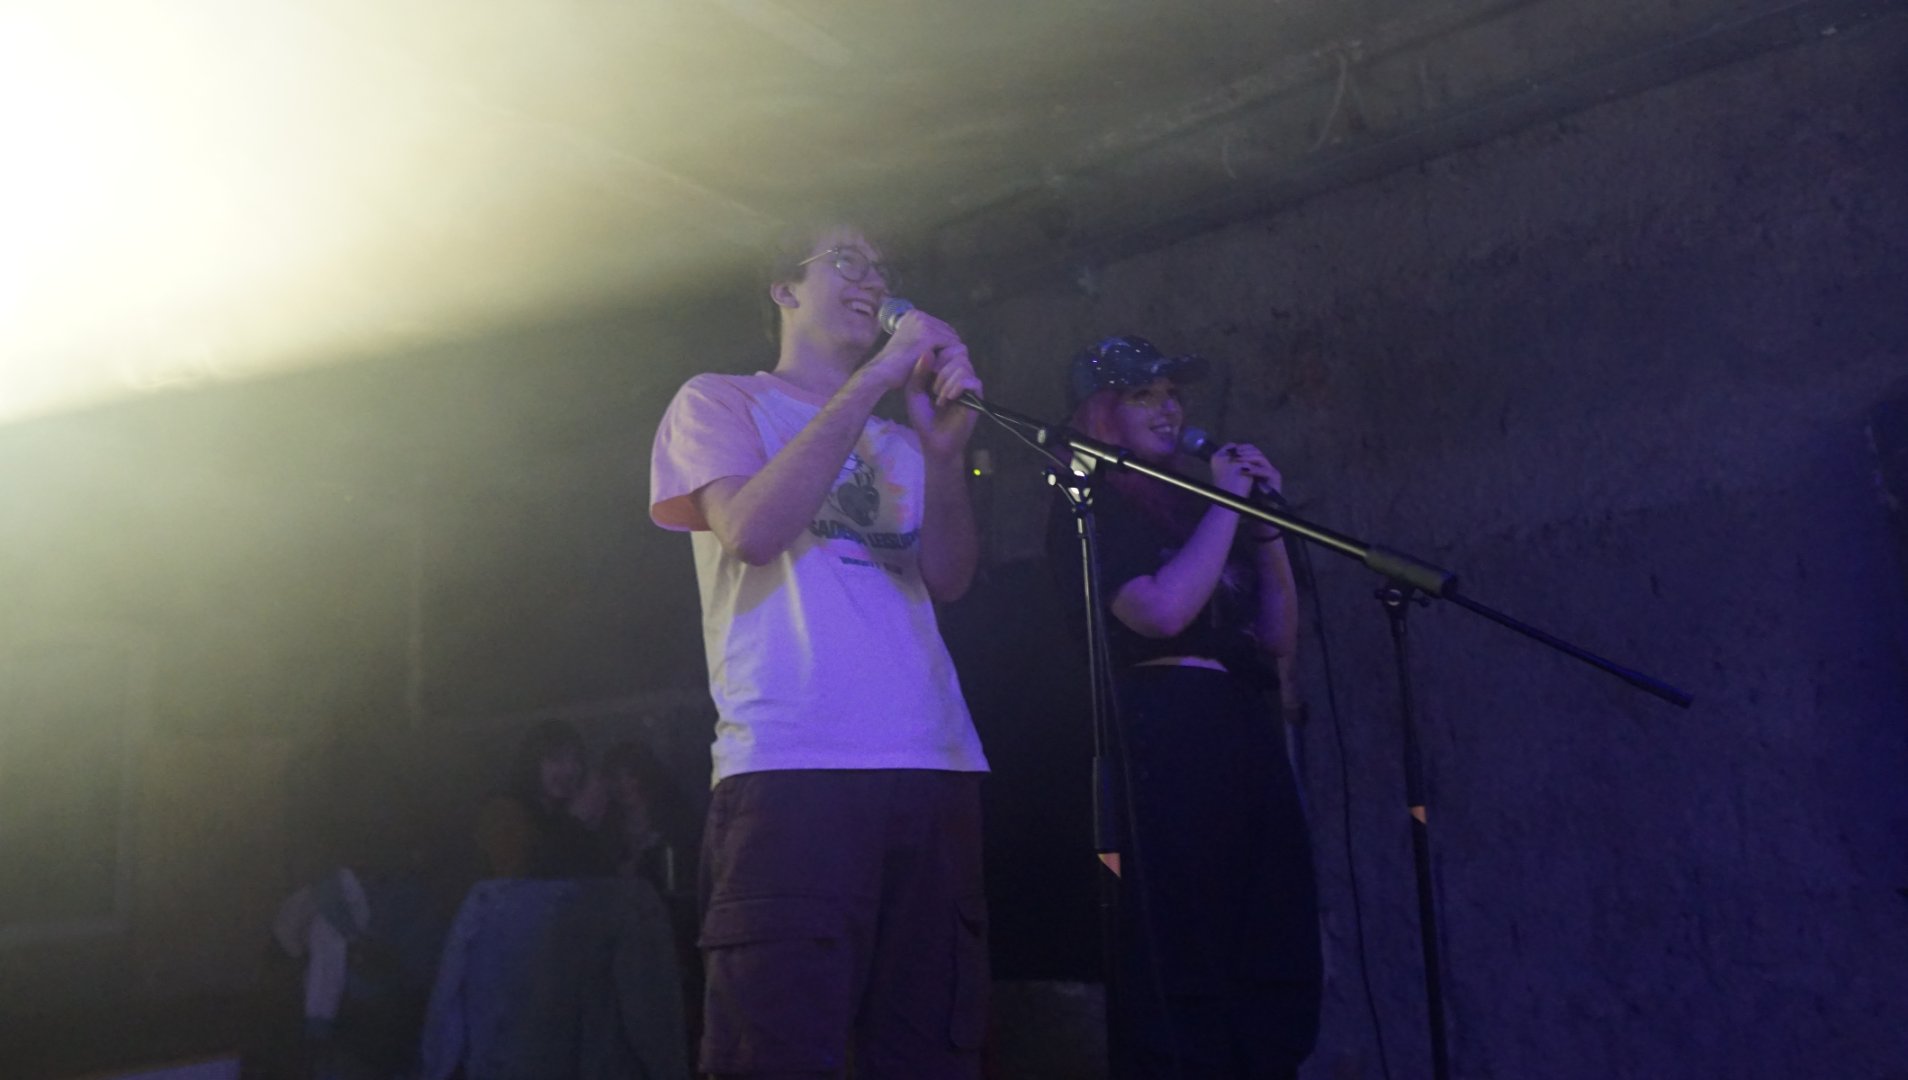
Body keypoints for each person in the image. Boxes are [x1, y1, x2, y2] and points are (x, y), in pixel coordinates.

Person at [648, 217, 992, 1079]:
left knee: (927, 1053)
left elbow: (949, 578)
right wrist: (877, 376)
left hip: (932, 764)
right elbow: (751, 531)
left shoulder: (902, 442)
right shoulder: (720, 401)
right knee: (777, 1050)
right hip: (793, 768)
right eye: (846, 260)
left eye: (882, 267)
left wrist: (944, 457)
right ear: (784, 289)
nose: (872, 279)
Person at [1045, 336, 1322, 1080]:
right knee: (1186, 929)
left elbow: (1276, 636)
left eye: (1173, 394)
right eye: (1144, 395)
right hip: (1167, 725)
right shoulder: (1094, 507)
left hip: (1242, 721)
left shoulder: (1197, 504)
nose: (1169, 410)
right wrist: (1228, 507)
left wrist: (1264, 526)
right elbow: (1160, 612)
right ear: (1102, 413)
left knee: (1270, 919)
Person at [474, 719, 608, 880]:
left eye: (576, 760)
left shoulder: (558, 814)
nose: (570, 770)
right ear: (532, 763)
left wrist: (593, 825)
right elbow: (518, 880)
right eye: (556, 759)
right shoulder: (504, 811)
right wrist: (575, 818)